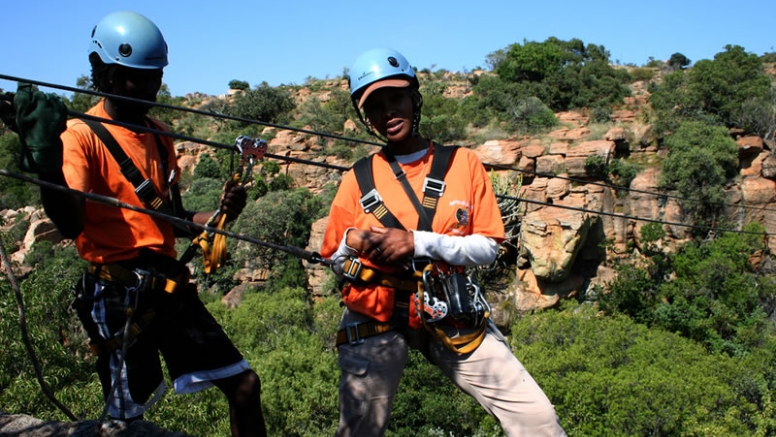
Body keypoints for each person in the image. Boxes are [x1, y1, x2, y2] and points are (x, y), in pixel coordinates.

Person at [3, 11, 266, 437]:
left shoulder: (160, 134)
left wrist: (218, 215)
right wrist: (47, 168)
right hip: (115, 290)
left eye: (154, 78)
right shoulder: (81, 135)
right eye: (133, 78)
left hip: (165, 286)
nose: (147, 89)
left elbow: (172, 217)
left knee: (244, 385)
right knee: (126, 421)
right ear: (102, 74)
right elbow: (71, 223)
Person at [320, 48, 566, 437]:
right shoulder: (358, 178)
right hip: (375, 313)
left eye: (396, 98)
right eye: (376, 107)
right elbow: (334, 257)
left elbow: (487, 246)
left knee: (537, 420)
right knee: (358, 432)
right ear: (366, 118)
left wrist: (418, 242)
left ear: (414, 98)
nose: (389, 112)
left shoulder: (463, 164)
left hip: (451, 309)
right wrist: (355, 241)